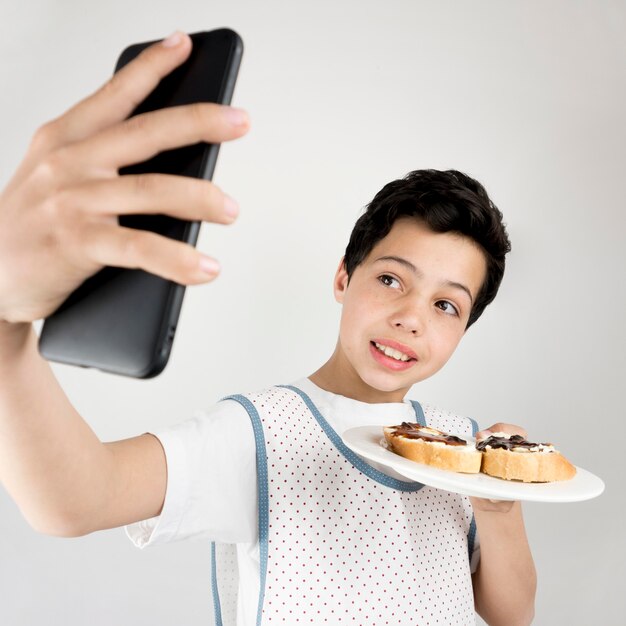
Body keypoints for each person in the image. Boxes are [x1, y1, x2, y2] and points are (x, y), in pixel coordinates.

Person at [0, 31, 536, 626]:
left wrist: (501, 509)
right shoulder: (256, 434)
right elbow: (75, 500)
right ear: (343, 278)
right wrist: (5, 330)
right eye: (391, 279)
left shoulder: (462, 444)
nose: (411, 316)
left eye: (447, 306)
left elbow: (508, 615)